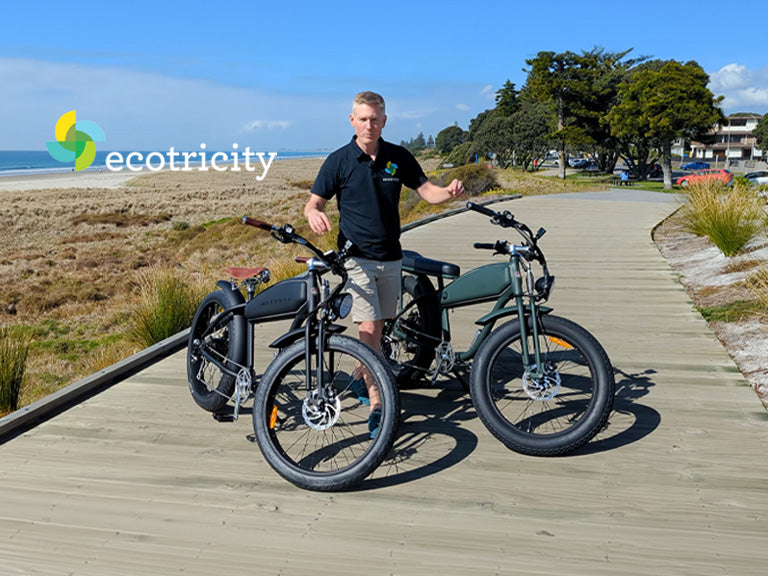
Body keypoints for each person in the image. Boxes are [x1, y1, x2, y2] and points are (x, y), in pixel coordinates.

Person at [304, 91, 465, 436]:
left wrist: (448, 192)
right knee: (370, 328)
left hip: (391, 257)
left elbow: (426, 191)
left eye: (375, 119)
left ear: (384, 121)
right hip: (355, 258)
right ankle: (379, 403)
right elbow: (313, 203)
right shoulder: (339, 161)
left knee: (381, 326)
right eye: (363, 119)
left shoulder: (397, 157)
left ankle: (359, 377)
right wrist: (314, 214)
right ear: (352, 121)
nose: (369, 125)